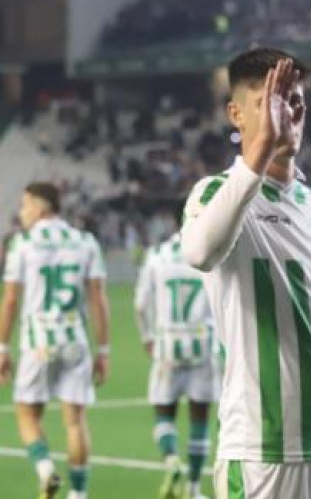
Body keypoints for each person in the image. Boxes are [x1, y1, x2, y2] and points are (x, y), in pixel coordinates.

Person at [180, 49, 311, 499]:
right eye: (276, 100)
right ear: (236, 114)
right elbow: (201, 253)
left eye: (298, 100)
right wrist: (260, 151)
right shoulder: (213, 194)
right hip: (262, 453)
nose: (292, 112)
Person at [0, 182, 111, 499]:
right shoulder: (85, 241)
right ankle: (78, 494)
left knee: (26, 412)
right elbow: (98, 298)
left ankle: (46, 469)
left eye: (25, 205)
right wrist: (103, 349)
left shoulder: (22, 244)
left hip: (38, 341)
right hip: (75, 339)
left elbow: (10, 301)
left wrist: (2, 347)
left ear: (40, 206)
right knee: (75, 421)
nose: (21, 212)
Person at [135, 230, 220, 499]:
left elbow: (140, 305)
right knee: (200, 417)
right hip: (202, 345)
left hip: (167, 344)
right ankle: (194, 488)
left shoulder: (157, 255)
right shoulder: (211, 253)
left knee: (163, 413)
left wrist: (147, 336)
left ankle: (171, 460)